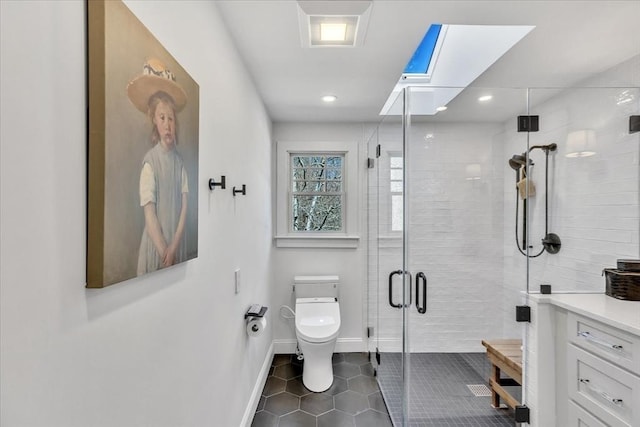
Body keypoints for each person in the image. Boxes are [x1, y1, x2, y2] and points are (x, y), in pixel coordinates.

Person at [127, 58, 189, 275]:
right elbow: (150, 214)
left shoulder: (179, 163)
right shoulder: (150, 163)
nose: (167, 124)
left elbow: (184, 208)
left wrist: (174, 247)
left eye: (170, 118)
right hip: (157, 249)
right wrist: (165, 250)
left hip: (175, 246)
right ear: (154, 120)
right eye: (162, 118)